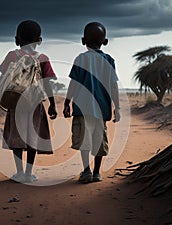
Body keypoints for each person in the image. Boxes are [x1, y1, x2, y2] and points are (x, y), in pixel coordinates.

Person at [0, 20, 57, 183]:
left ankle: (19, 172)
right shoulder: (43, 58)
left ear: (17, 40)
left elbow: (4, 78)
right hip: (35, 104)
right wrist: (52, 104)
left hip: (15, 103)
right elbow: (47, 83)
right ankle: (29, 173)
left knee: (16, 137)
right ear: (40, 40)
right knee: (33, 137)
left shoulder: (12, 55)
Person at [63, 22, 120, 183]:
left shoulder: (81, 58)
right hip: (102, 110)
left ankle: (86, 170)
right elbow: (113, 85)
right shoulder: (109, 60)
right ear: (105, 41)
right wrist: (118, 107)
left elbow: (74, 83)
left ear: (83, 40)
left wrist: (67, 102)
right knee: (100, 141)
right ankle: (97, 173)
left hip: (82, 108)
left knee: (84, 141)